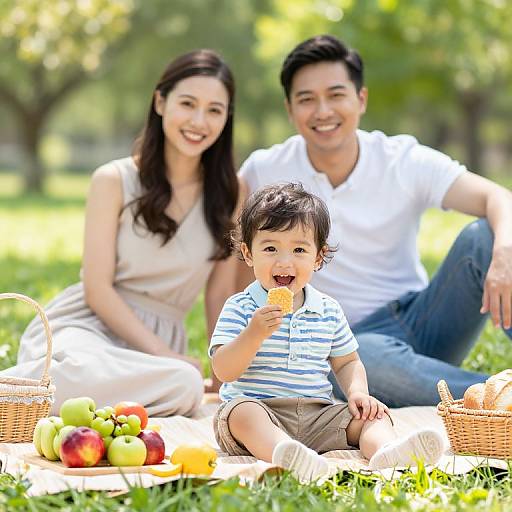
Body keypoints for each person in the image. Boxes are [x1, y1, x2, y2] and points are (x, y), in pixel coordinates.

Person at [238, 35, 512, 407]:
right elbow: (237, 261)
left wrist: (504, 257)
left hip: (423, 319)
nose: (323, 111)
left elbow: (498, 197)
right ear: (289, 109)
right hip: (345, 345)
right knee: (362, 353)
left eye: (336, 95)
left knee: (485, 236)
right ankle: (496, 397)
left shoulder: (402, 159)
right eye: (307, 99)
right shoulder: (264, 169)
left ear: (360, 99)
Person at [1, 49, 241, 416]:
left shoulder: (232, 192)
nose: (198, 120)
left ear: (227, 117)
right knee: (78, 367)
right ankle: (34, 390)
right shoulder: (113, 179)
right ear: (160, 102)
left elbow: (221, 294)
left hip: (156, 349)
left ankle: (43, 399)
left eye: (214, 110)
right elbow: (97, 289)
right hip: (87, 327)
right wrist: (162, 354)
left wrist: (223, 374)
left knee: (185, 383)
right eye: (187, 103)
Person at [210, 183, 444, 482]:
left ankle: (388, 451)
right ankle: (284, 452)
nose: (284, 261)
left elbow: (347, 362)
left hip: (316, 414)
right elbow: (223, 370)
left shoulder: (328, 309)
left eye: (299, 249)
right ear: (248, 253)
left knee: (372, 415)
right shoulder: (241, 307)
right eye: (270, 248)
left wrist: (358, 394)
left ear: (318, 258)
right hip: (259, 409)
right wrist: (253, 335)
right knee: (240, 413)